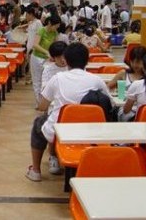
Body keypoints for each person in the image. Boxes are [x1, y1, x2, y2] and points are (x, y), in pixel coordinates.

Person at [26, 43, 113, 182]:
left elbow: (42, 106)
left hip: (60, 129)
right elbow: (110, 102)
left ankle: (35, 170)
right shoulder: (96, 80)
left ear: (66, 60)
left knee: (38, 124)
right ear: (87, 60)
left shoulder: (58, 78)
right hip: (90, 130)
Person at [30, 15, 61, 108]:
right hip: (37, 58)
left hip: (48, 60)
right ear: (50, 24)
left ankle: (46, 102)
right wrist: (46, 52)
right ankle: (39, 103)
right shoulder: (41, 31)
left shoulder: (55, 33)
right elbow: (35, 45)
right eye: (55, 26)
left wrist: (54, 55)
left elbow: (56, 45)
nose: (56, 28)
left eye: (57, 27)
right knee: (37, 81)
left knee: (46, 81)